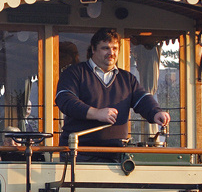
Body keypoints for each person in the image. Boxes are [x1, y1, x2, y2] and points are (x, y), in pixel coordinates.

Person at [54, 28, 169, 159]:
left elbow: (142, 99)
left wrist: (156, 112)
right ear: (93, 49)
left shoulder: (127, 79)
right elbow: (65, 100)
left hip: (116, 154)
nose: (111, 53)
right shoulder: (74, 73)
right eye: (105, 48)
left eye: (115, 48)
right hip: (79, 154)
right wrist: (96, 113)